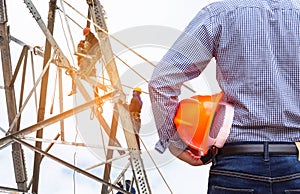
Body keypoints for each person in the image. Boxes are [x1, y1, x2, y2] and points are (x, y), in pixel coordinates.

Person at [148, 0, 300, 193]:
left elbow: (162, 80)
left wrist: (175, 142)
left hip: (235, 166)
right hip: (295, 161)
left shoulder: (220, 14)